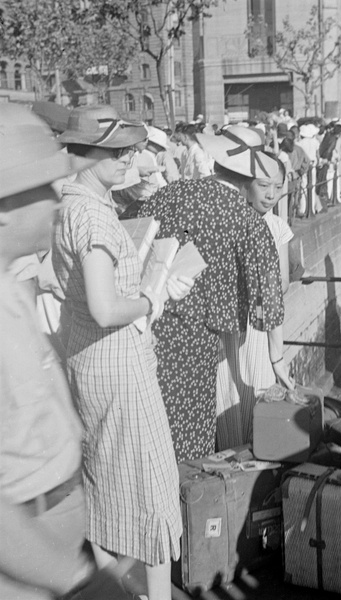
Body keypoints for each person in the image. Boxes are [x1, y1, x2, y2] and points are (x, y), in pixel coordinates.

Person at [52, 105, 194, 600]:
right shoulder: (92, 214)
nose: (128, 158)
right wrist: (152, 297)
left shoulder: (74, 204)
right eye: (117, 151)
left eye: (129, 149)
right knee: (150, 484)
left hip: (90, 364)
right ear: (83, 154)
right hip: (119, 370)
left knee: (107, 482)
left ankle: (115, 587)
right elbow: (106, 307)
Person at [0, 104, 135, 600]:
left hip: (51, 539)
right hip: (28, 565)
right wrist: (78, 581)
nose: (58, 198)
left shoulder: (10, 288)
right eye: (40, 188)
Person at [139, 126, 288, 462]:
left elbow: (133, 235)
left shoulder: (170, 194)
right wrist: (276, 359)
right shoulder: (248, 220)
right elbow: (269, 298)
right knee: (190, 433)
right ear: (249, 175)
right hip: (199, 341)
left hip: (149, 326)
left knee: (151, 425)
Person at [216, 153, 295, 450]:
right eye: (263, 186)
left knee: (256, 387)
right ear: (245, 184)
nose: (271, 195)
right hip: (229, 323)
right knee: (227, 395)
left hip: (261, 325)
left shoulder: (277, 227)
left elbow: (282, 283)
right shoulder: (227, 221)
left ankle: (256, 456)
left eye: (277, 186)